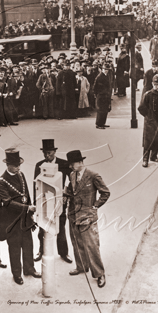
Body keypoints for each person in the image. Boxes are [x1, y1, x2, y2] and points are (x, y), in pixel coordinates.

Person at [0, 149, 41, 285]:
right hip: (12, 221)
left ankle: (29, 269)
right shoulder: (1, 182)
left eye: (19, 165)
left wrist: (31, 213)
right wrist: (27, 208)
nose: (18, 168)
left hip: (25, 219)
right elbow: (7, 202)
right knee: (14, 248)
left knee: (28, 245)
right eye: (15, 165)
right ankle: (17, 274)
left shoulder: (20, 175)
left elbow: (26, 195)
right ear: (8, 165)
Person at [65, 150, 110, 288]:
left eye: (72, 164)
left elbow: (105, 192)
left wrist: (95, 206)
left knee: (91, 245)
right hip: (73, 215)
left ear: (80, 162)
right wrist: (64, 195)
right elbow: (70, 191)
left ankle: (99, 274)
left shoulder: (93, 175)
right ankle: (81, 266)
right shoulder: (72, 175)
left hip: (87, 217)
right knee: (77, 243)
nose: (71, 167)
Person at [33, 139, 72, 263]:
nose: (47, 156)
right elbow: (36, 185)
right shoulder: (39, 165)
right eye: (45, 153)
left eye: (49, 153)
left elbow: (73, 179)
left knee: (60, 228)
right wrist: (36, 203)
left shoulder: (64, 164)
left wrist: (67, 192)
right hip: (44, 202)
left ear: (55, 152)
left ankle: (63, 253)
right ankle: (41, 250)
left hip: (59, 202)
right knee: (42, 228)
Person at [138, 74, 158, 168]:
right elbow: (141, 108)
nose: (156, 86)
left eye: (157, 84)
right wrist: (148, 116)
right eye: (154, 84)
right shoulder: (147, 95)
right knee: (147, 141)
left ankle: (154, 156)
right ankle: (145, 160)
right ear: (152, 84)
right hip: (149, 123)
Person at [94, 62, 111, 129]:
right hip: (101, 96)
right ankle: (99, 124)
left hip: (106, 95)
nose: (106, 70)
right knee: (101, 110)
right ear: (102, 69)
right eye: (105, 69)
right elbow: (95, 87)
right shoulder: (99, 77)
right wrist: (97, 95)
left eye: (107, 69)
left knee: (105, 110)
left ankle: (103, 123)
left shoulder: (106, 76)